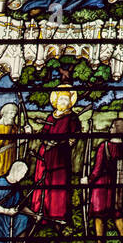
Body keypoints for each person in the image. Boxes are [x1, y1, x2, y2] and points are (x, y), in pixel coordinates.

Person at [31, 88, 82, 227]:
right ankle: (40, 214)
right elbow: (44, 133)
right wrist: (47, 141)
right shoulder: (50, 117)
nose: (63, 102)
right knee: (42, 182)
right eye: (61, 99)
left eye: (66, 99)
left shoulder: (72, 118)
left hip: (60, 155)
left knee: (58, 184)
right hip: (45, 153)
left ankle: (57, 216)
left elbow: (74, 137)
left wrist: (61, 142)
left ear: (70, 102)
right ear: (55, 101)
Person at [84, 117, 123, 243]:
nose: (110, 129)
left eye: (112, 127)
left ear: (117, 130)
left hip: (102, 187)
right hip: (118, 185)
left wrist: (88, 179)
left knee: (99, 216)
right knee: (117, 215)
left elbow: (97, 169)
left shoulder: (104, 147)